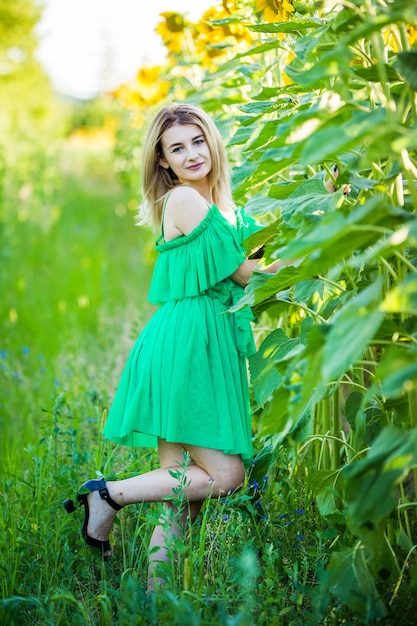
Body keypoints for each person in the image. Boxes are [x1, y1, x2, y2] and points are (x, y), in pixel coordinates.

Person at [64, 103, 280, 591]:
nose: (191, 154)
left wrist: (321, 207)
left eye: (198, 141)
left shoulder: (227, 206)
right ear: (163, 161)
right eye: (176, 148)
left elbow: (257, 256)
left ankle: (156, 606)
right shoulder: (184, 200)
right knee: (225, 477)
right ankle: (108, 494)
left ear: (212, 141)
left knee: (181, 498)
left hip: (205, 344)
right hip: (187, 345)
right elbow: (246, 272)